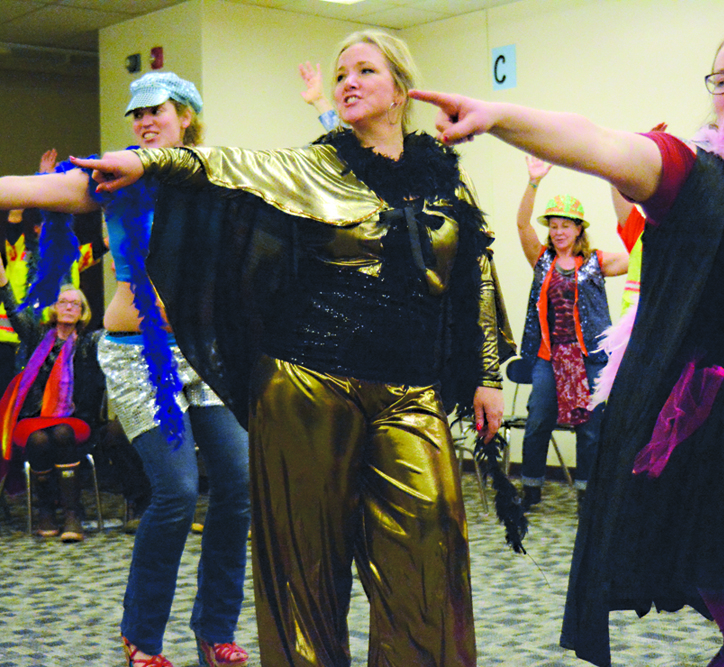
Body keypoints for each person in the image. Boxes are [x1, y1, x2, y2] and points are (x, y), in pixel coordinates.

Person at [412, 21, 724, 667]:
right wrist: (499, 114)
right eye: (722, 78)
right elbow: (597, 142)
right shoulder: (694, 177)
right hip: (722, 434)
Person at [74, 30, 514, 667]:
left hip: (409, 392)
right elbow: (227, 166)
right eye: (341, 75)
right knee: (303, 571)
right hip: (307, 384)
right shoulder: (315, 166)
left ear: (401, 89)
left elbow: (475, 272)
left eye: (365, 70)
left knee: (429, 557)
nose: (349, 83)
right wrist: (148, 163)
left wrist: (487, 374)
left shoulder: (447, 179)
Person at [0, 71, 251, 667]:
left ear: (185, 114)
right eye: (135, 114)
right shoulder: (110, 179)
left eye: (156, 111)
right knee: (177, 490)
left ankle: (215, 629)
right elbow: (28, 189)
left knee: (238, 485)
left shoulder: (215, 175)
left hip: (203, 351)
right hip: (137, 353)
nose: (143, 122)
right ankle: (142, 638)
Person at [516, 155, 627, 508]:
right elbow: (521, 227)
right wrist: (533, 182)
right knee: (537, 424)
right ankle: (530, 489)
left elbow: (637, 252)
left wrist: (622, 183)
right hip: (548, 358)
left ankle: (586, 494)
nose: (558, 231)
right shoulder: (542, 260)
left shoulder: (596, 261)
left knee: (591, 430)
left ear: (579, 228)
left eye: (566, 225)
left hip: (590, 358)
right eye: (554, 225)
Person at [0, 278, 103, 542]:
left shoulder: (90, 343)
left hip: (74, 418)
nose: (69, 307)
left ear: (82, 312)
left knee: (61, 433)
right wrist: (3, 283)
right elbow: (14, 310)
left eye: (75, 304)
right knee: (38, 438)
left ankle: (72, 514)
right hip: (33, 418)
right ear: (54, 309)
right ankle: (45, 509)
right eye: (63, 303)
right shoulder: (36, 335)